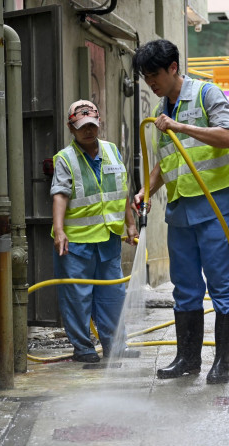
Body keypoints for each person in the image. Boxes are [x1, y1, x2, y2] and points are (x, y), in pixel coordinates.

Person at [132, 39, 229, 384]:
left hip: (214, 203)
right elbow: (165, 164)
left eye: (155, 75)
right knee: (184, 285)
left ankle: (221, 362)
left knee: (222, 282)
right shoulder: (160, 111)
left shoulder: (205, 94)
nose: (151, 82)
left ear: (173, 68)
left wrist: (181, 127)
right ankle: (187, 359)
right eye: (145, 77)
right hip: (180, 208)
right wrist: (144, 191)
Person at [50, 99, 140, 363]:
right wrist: (59, 231)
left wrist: (130, 223)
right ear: (71, 128)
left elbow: (122, 190)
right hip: (76, 242)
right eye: (81, 127)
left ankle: (116, 346)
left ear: (98, 122)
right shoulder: (66, 158)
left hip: (108, 239)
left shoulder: (112, 151)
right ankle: (84, 349)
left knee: (113, 296)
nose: (88, 131)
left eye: (92, 125)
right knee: (78, 298)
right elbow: (60, 195)